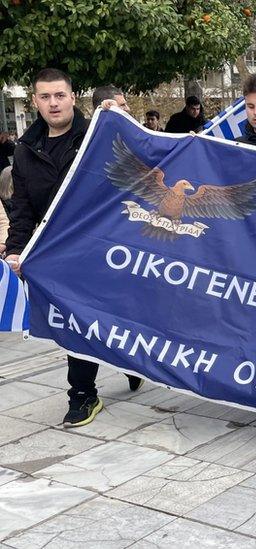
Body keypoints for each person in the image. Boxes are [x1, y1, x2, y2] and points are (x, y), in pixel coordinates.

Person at [3, 69, 143, 428]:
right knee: (77, 323)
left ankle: (129, 363)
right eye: (45, 97)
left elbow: (143, 163)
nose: (53, 103)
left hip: (106, 248)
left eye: (60, 95)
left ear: (72, 97)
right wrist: (15, 249)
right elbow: (21, 209)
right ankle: (82, 395)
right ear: (34, 101)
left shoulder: (98, 135)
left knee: (117, 316)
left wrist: (119, 122)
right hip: (60, 255)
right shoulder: (24, 151)